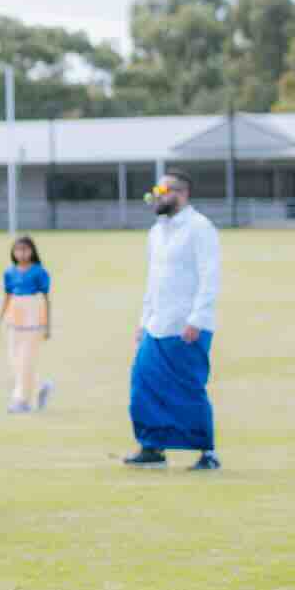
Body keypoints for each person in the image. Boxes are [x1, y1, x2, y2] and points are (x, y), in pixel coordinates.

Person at [126, 168, 221, 470]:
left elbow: (209, 276)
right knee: (143, 384)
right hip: (156, 324)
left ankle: (207, 453)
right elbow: (153, 281)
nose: (156, 197)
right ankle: (152, 448)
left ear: (182, 194)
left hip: (187, 326)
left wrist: (198, 318)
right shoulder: (156, 232)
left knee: (189, 389)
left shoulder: (199, 227)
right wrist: (143, 320)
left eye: (163, 191)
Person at [0, 236, 53, 414]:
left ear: (32, 251)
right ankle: (41, 387)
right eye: (18, 250)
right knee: (15, 363)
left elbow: (46, 299)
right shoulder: (9, 273)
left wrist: (47, 326)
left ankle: (20, 400)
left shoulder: (39, 272)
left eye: (25, 249)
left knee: (26, 362)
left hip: (33, 323)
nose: (22, 253)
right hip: (14, 323)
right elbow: (7, 297)